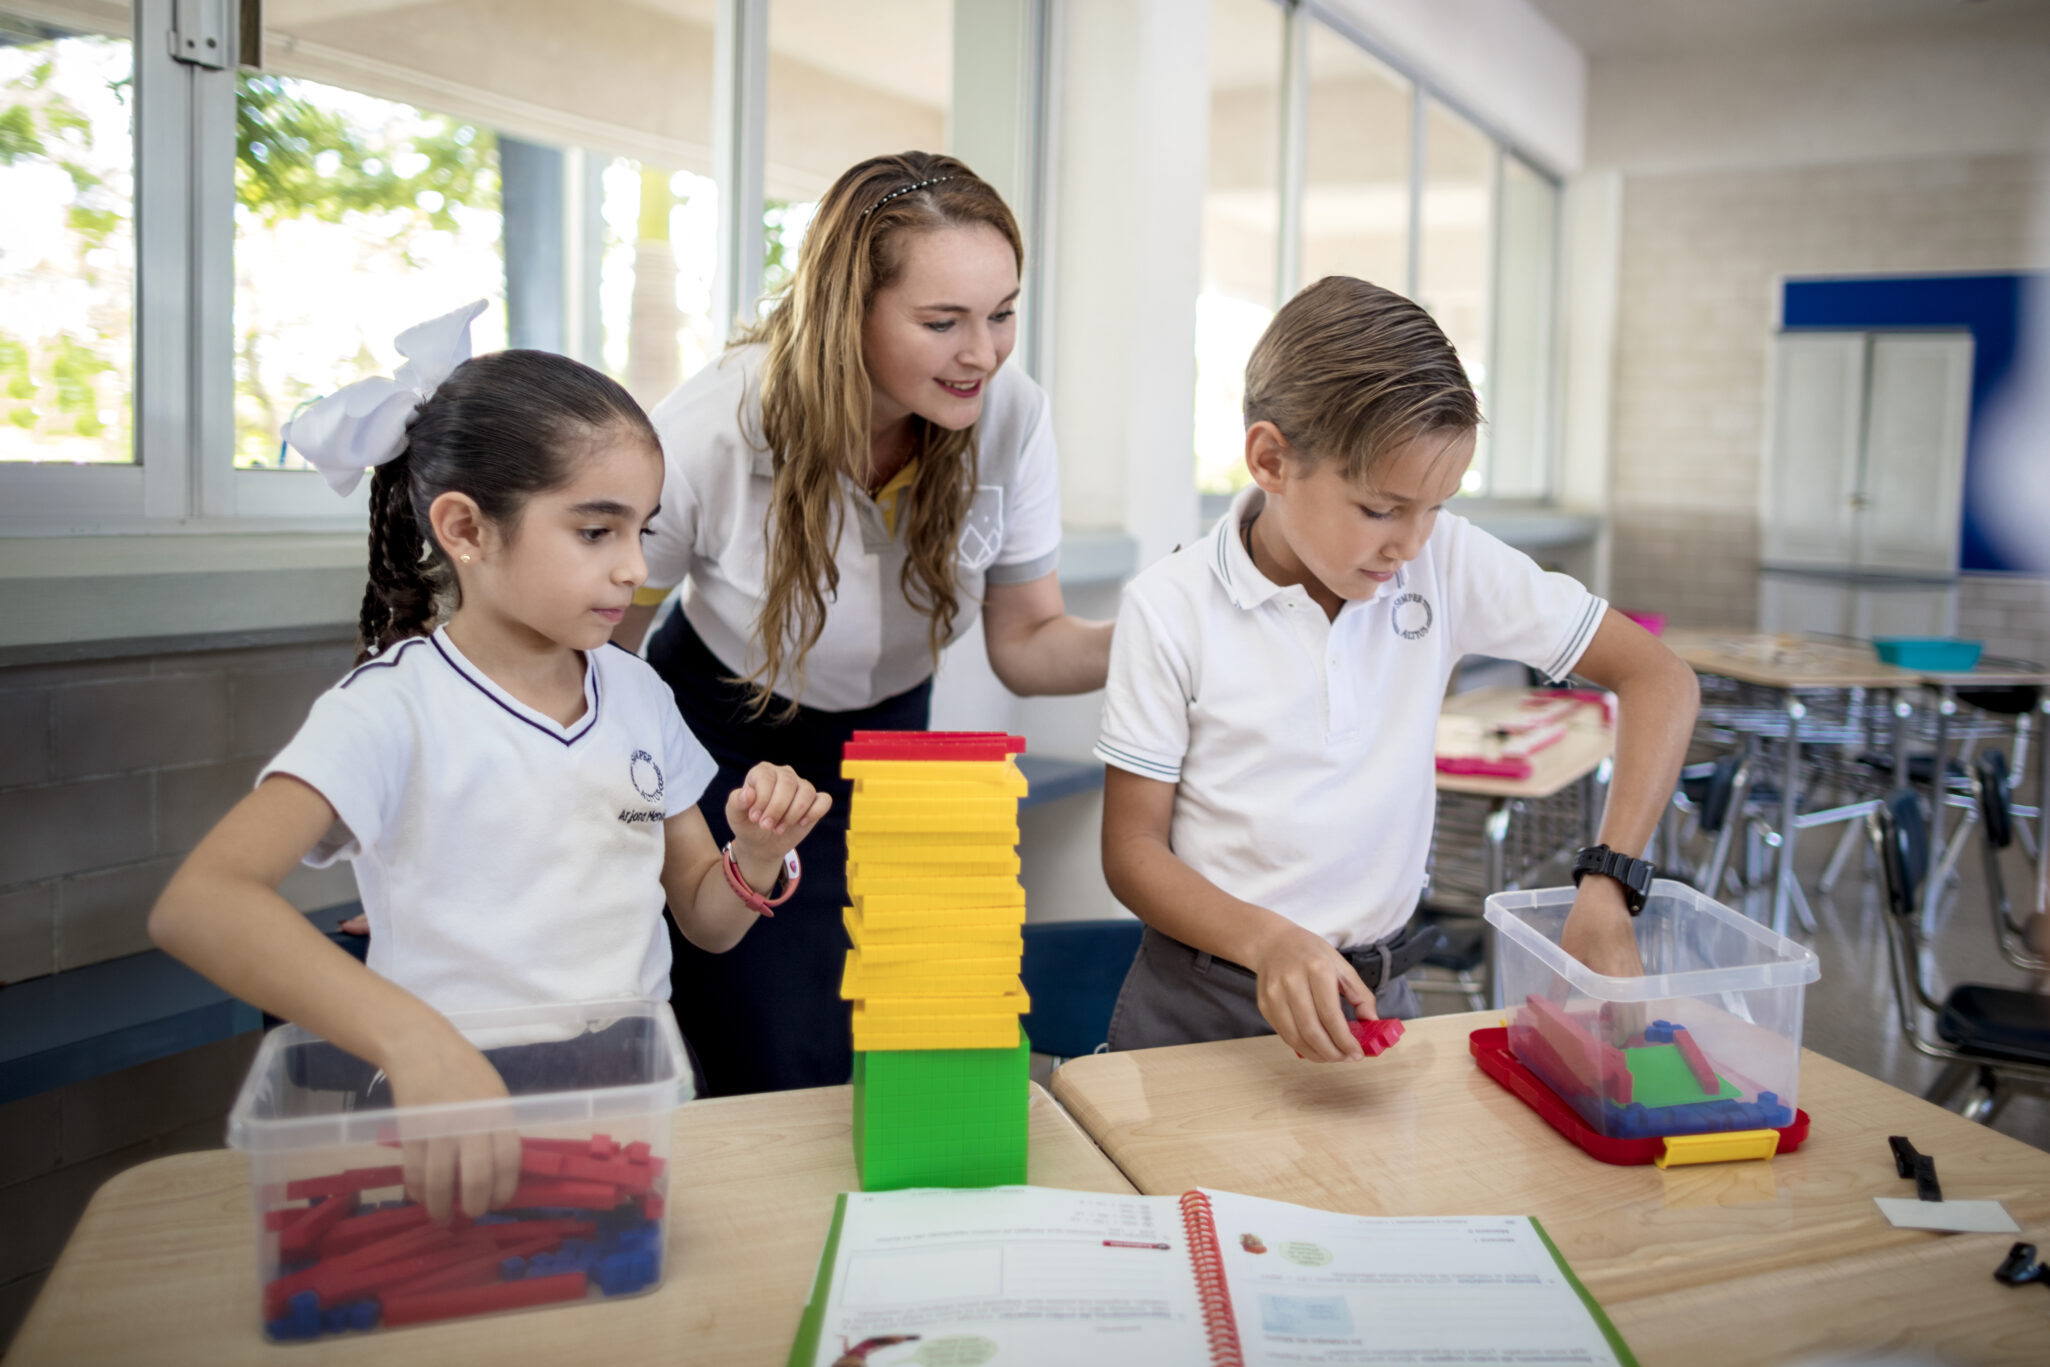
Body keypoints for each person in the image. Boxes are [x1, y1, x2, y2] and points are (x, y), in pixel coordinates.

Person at [149, 302, 830, 1221]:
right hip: (454, 1134)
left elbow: (704, 922)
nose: (635, 567)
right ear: (465, 528)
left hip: (635, 1118)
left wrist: (751, 854)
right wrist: (415, 1042)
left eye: (642, 529)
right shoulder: (391, 708)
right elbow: (201, 904)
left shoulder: (638, 696)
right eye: (597, 531)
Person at [1095, 276, 1700, 1061]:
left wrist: (1609, 882)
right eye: (1381, 509)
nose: (1410, 544)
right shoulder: (1169, 606)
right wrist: (1270, 941)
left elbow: (1659, 678)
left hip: (1378, 997)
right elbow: (1132, 851)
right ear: (1271, 459)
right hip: (1202, 1008)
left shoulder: (1441, 563)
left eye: (1437, 506)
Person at [612, 152, 1111, 1096]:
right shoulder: (716, 425)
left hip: (888, 741)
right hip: (721, 733)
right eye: (942, 322)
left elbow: (1028, 642)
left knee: (883, 1036)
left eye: (1002, 312)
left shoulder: (1008, 416)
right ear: (852, 309)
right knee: (771, 1049)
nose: (985, 352)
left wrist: (1167, 637)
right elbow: (601, 645)